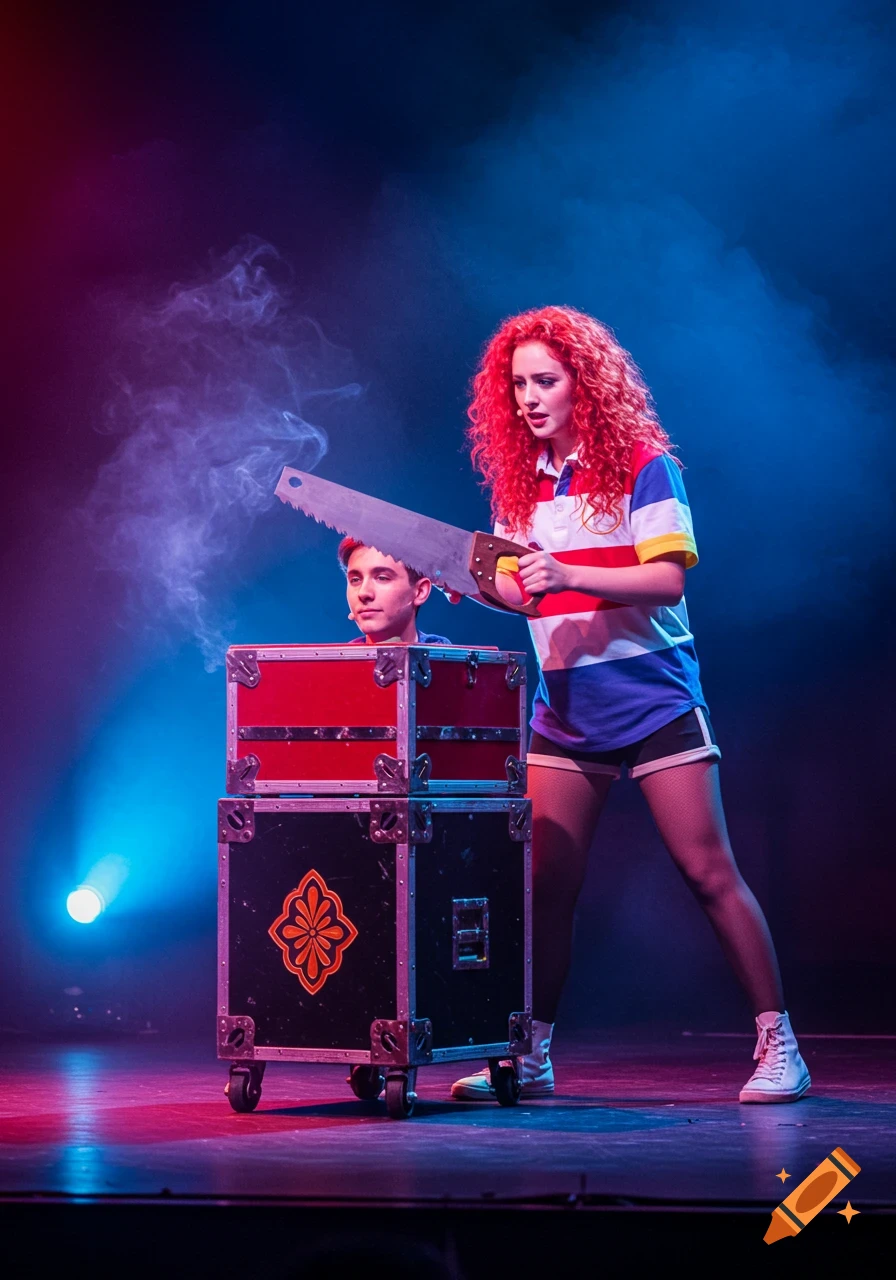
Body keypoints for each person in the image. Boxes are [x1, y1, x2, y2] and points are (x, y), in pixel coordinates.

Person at [450, 306, 810, 1105]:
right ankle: (529, 1055)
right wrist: (477, 586)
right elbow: (527, 593)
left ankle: (780, 1044)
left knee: (707, 871)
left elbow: (667, 579)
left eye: (545, 380)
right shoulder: (524, 487)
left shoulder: (646, 467)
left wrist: (566, 575)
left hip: (652, 700)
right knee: (544, 885)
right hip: (566, 708)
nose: (529, 399)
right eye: (517, 386)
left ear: (587, 381)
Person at [339, 536, 451, 646]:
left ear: (420, 591)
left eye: (382, 578)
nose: (363, 593)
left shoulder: (449, 661)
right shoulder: (336, 663)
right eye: (355, 580)